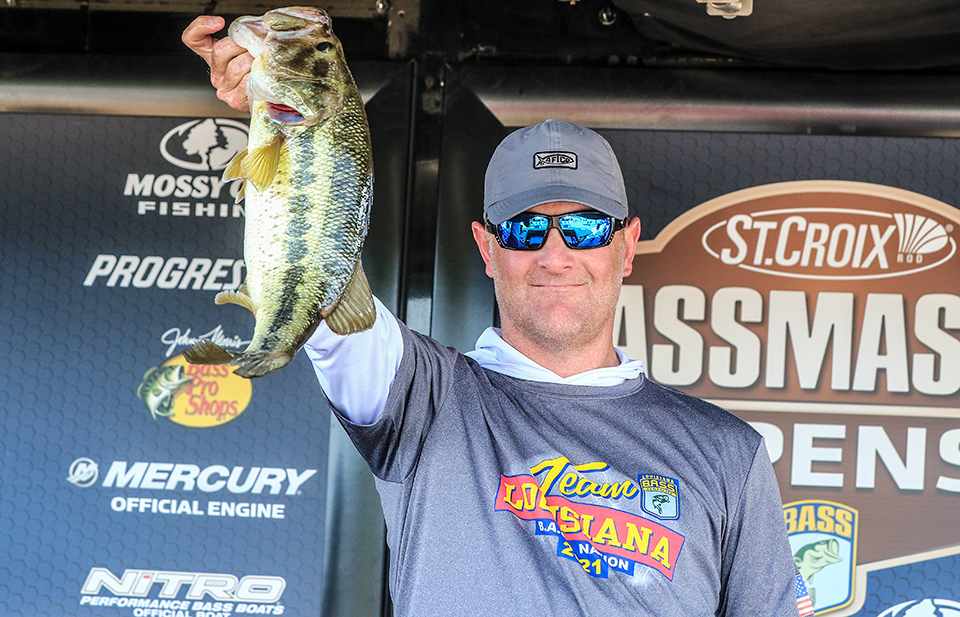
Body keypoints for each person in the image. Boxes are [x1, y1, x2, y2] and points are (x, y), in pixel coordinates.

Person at [183, 17, 809, 616]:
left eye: (586, 229)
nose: (556, 255)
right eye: (526, 229)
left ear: (626, 246)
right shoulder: (420, 398)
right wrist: (283, 104)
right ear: (487, 248)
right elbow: (321, 290)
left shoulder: (728, 454)